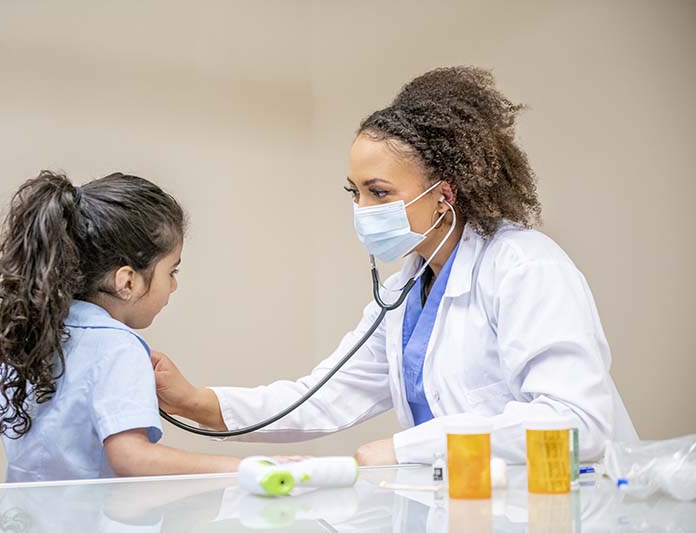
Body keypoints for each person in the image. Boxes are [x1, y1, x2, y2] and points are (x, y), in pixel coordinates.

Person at [152, 66, 638, 465]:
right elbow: (324, 395)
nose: (362, 209)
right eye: (355, 192)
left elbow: (576, 421)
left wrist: (407, 449)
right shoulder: (408, 287)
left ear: (444, 194)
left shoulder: (524, 267)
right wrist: (195, 402)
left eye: (379, 192)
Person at [0, 171, 240, 483]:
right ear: (127, 281)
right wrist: (240, 468)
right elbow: (131, 457)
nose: (173, 286)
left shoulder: (40, 334)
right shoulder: (120, 349)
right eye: (172, 271)